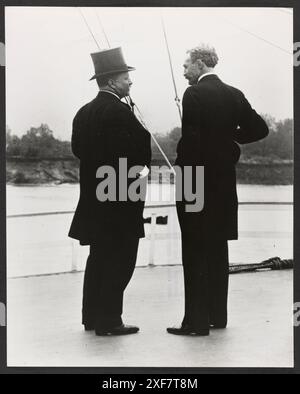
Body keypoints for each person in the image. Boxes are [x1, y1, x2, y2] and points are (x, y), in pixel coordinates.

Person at [167, 44, 269, 336]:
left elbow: (191, 142)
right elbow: (260, 129)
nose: (184, 71)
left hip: (196, 183)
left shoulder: (194, 93)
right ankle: (217, 316)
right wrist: (228, 140)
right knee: (217, 248)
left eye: (186, 65)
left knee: (194, 250)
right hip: (224, 185)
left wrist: (180, 172)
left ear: (199, 64)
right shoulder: (234, 94)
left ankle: (195, 323)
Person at [68, 47, 151, 336]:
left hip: (94, 202)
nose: (130, 82)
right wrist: (142, 172)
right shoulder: (119, 111)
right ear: (113, 81)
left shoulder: (83, 112)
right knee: (121, 258)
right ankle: (109, 320)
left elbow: (79, 150)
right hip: (119, 201)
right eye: (126, 77)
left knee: (99, 257)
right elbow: (128, 155)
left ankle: (91, 317)